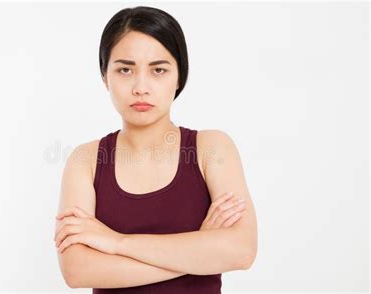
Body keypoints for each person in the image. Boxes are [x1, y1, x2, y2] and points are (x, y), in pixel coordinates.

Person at [54, 6, 257, 293]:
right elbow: (77, 270)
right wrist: (199, 250)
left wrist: (116, 243)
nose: (141, 87)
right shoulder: (85, 160)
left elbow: (241, 251)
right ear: (105, 77)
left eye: (158, 70)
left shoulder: (211, 148)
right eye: (125, 69)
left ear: (179, 77)